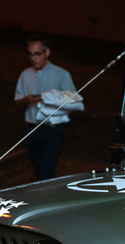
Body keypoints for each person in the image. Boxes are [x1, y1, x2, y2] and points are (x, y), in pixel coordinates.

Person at [15, 33, 83, 180]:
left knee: (45, 173)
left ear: (47, 52)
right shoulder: (25, 75)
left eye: (37, 54)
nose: (33, 58)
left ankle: (45, 191)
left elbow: (74, 101)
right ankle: (47, 191)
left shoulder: (62, 74)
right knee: (39, 171)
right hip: (32, 129)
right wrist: (26, 100)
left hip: (53, 130)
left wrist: (51, 99)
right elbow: (18, 103)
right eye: (30, 54)